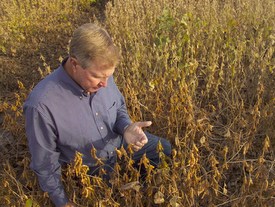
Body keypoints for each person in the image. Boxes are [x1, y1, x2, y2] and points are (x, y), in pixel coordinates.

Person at [23, 23, 171, 207]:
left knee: (164, 150)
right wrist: (62, 202)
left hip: (122, 145)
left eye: (109, 76)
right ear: (75, 64)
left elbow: (118, 109)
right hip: (92, 168)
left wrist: (126, 128)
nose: (105, 84)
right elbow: (45, 164)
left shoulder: (102, 74)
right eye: (98, 77)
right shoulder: (41, 106)